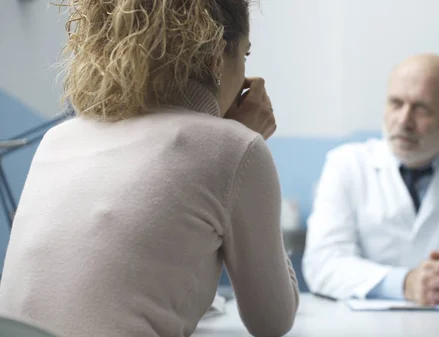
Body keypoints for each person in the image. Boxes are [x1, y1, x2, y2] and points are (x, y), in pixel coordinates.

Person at [0, 1, 298, 337]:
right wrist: (247, 140)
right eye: (243, 56)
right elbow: (272, 321)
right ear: (217, 56)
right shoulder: (235, 148)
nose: (245, 75)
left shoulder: (58, 138)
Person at [302, 54, 439, 305]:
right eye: (396, 103)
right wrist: (405, 282)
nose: (404, 121)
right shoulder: (345, 165)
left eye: (422, 109)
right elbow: (322, 264)